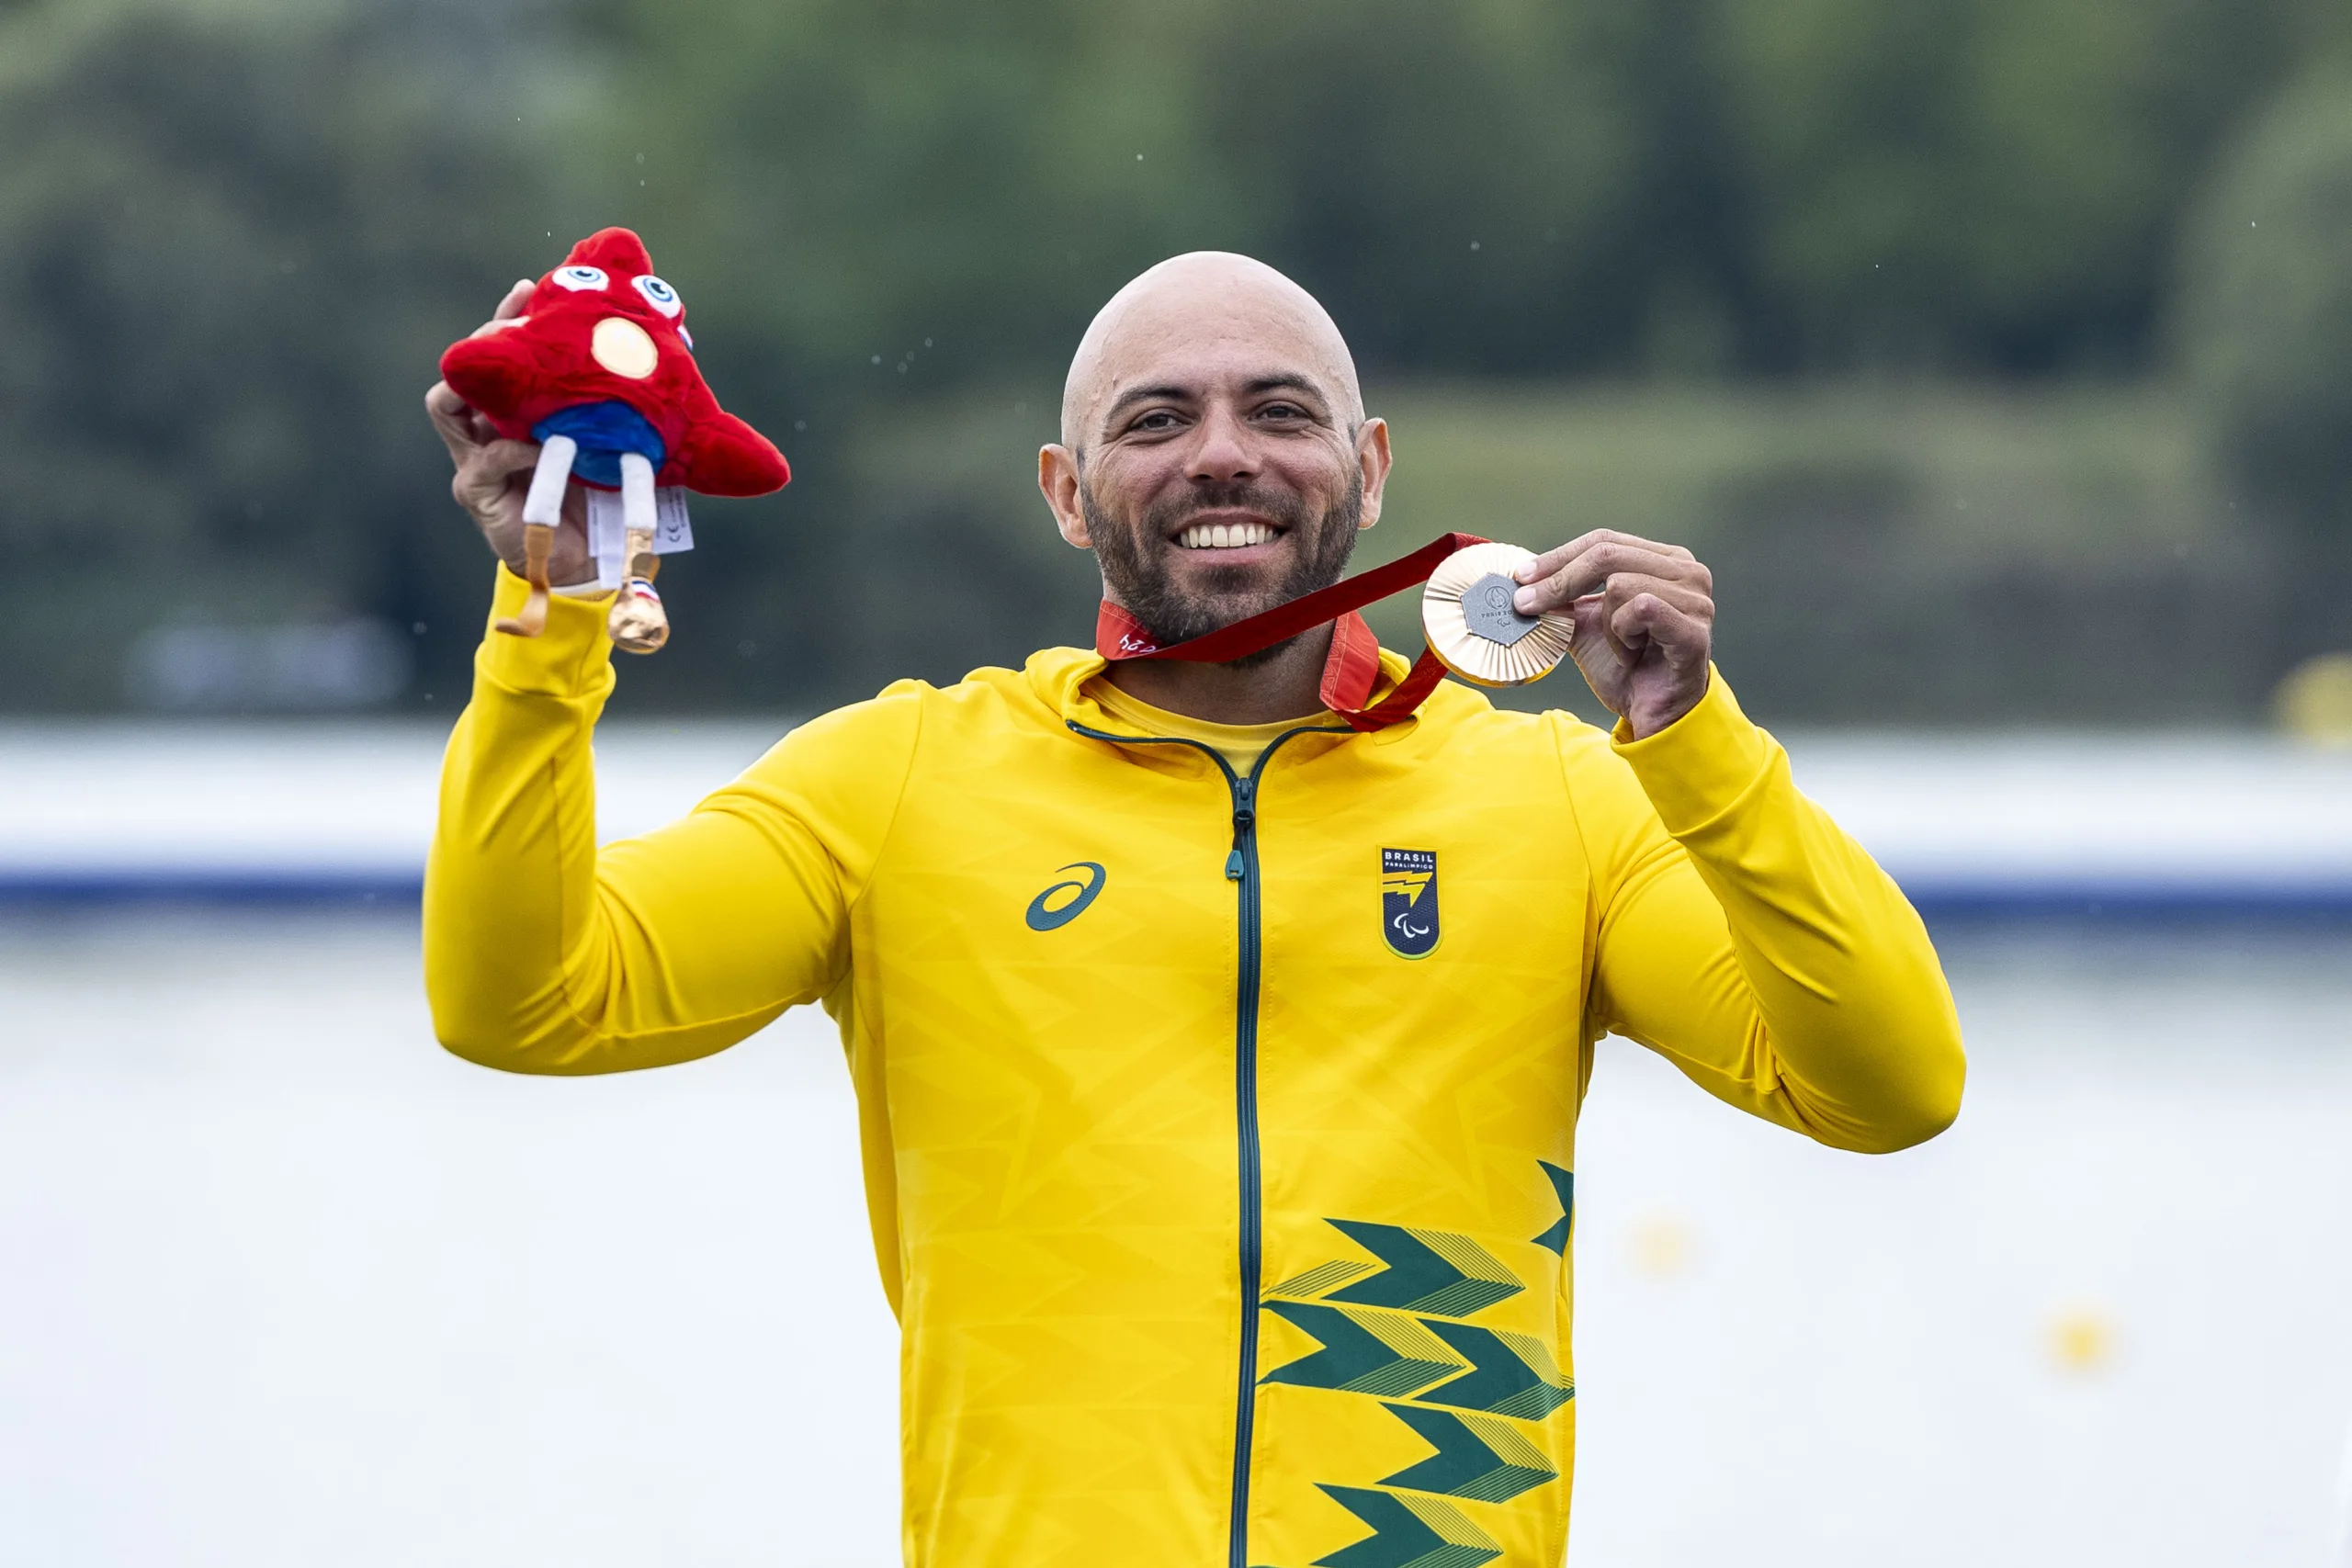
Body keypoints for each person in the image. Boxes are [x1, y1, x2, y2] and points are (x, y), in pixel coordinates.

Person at [423, 251, 1964, 1568]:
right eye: (1154, 421)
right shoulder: (898, 784)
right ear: (1066, 491)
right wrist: (549, 619)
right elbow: (524, 1002)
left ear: (1370, 467)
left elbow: (1893, 1086)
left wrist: (1694, 741)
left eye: (1277, 412)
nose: (1220, 455)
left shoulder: (1557, 802)